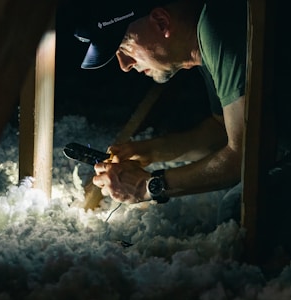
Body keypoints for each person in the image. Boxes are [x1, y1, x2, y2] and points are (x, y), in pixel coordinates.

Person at [74, 0, 247, 224]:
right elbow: (223, 130)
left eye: (124, 48)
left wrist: (148, 187)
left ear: (161, 22)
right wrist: (152, 151)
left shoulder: (217, 28)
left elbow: (244, 156)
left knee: (235, 211)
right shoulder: (202, 43)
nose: (124, 65)